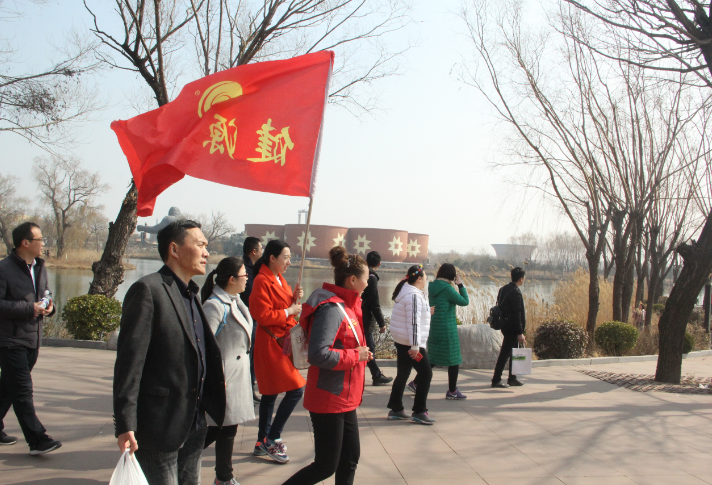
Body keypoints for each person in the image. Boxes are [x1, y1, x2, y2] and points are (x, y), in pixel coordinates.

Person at [114, 220, 226, 485]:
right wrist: (125, 423)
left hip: (194, 422)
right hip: (159, 424)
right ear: (174, 250)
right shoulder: (148, 290)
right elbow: (130, 363)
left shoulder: (192, 295)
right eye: (200, 245)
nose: (207, 253)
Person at [283, 246, 372, 485]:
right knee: (325, 466)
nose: (368, 282)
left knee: (350, 458)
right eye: (366, 278)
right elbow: (318, 354)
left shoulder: (349, 306)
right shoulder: (332, 309)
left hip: (345, 397)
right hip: (329, 397)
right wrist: (356, 355)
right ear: (352, 280)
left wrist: (358, 354)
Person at [0, 222, 61, 455]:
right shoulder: (4, 269)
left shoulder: (40, 267)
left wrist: (49, 307)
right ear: (25, 243)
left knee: (8, 388)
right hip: (9, 341)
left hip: (32, 339)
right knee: (23, 391)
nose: (44, 243)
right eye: (40, 239)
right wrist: (29, 309)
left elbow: (45, 294)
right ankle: (37, 439)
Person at [249, 239, 305, 464]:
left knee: (270, 394)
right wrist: (290, 310)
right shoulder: (261, 280)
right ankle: (272, 437)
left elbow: (283, 307)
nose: (289, 262)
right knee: (296, 389)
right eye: (286, 257)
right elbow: (262, 315)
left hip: (282, 341)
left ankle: (261, 441)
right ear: (272, 258)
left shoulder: (279, 278)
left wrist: (294, 298)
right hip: (271, 343)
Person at [201, 257, 255, 485]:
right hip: (224, 378)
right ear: (232, 279)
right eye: (244, 276)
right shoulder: (214, 306)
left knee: (226, 428)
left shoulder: (235, 300)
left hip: (235, 375)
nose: (247, 279)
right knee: (218, 428)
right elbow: (203, 346)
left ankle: (224, 476)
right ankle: (222, 476)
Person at [386, 265, 434, 425]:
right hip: (411, 344)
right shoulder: (413, 295)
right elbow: (413, 322)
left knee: (403, 373)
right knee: (426, 373)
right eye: (425, 277)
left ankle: (396, 408)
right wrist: (415, 346)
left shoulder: (407, 292)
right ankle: (419, 411)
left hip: (402, 341)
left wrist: (427, 311)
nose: (426, 279)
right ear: (419, 279)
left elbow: (414, 315)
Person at [428, 263, 469, 400]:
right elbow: (464, 301)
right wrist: (460, 285)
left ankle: (416, 382)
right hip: (447, 327)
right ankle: (452, 391)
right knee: (454, 359)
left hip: (434, 326)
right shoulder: (447, 289)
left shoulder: (431, 286)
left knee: (433, 356)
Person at [491, 266, 527, 388]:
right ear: (521, 278)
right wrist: (520, 332)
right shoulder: (516, 292)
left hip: (505, 326)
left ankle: (512, 378)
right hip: (512, 328)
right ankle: (496, 380)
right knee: (505, 354)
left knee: (513, 353)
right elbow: (517, 313)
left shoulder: (503, 289)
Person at [361, 251, 392, 386]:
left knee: (366, 347)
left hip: (357, 316)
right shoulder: (371, 278)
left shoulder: (360, 274)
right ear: (379, 264)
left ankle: (376, 375)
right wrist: (381, 323)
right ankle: (376, 375)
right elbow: (375, 303)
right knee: (369, 348)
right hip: (366, 318)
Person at [240, 236, 263, 404]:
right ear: (254, 251)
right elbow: (249, 296)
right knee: (249, 356)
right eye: (261, 249)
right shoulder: (246, 270)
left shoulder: (251, 268)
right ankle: (247, 389)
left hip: (250, 317)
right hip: (248, 318)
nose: (262, 252)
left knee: (251, 357)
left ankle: (249, 388)